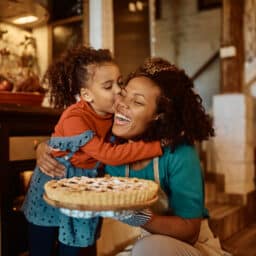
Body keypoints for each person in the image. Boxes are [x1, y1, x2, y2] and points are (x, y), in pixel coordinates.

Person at [37, 57, 229, 255]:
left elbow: (190, 232)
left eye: (137, 102)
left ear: (158, 116)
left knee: (149, 248)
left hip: (185, 248)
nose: (122, 104)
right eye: (124, 94)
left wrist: (140, 217)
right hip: (133, 246)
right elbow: (72, 141)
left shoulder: (178, 154)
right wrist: (44, 148)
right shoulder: (109, 141)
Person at [21, 46, 163, 256]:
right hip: (52, 187)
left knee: (73, 250)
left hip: (82, 190)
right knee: (42, 247)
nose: (118, 91)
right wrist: (158, 146)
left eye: (119, 82)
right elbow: (108, 155)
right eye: (108, 86)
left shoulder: (113, 114)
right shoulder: (75, 118)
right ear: (86, 94)